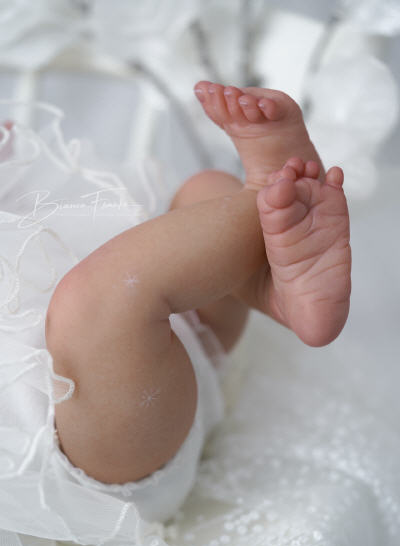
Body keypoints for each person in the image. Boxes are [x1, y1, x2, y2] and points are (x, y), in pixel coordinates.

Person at [46, 80, 351, 486]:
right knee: (89, 303)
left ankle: (268, 259)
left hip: (164, 341)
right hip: (90, 445)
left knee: (203, 189)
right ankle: (275, 208)